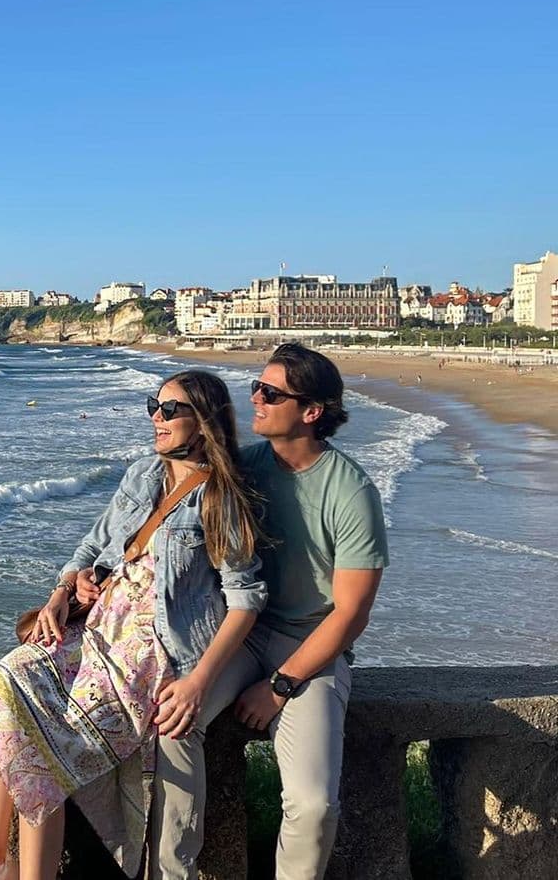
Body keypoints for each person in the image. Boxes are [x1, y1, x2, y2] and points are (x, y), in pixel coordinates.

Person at [0, 370, 267, 880]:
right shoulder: (142, 475)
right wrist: (64, 591)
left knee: (40, 740)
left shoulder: (220, 498)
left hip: (151, 654)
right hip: (95, 631)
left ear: (204, 421)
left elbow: (245, 600)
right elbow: (91, 546)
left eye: (171, 410)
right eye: (153, 406)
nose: (157, 418)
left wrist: (198, 682)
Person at [178, 342, 387, 880]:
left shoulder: (351, 491)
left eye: (270, 393)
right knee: (172, 725)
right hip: (237, 633)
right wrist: (85, 574)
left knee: (314, 804)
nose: (255, 399)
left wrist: (279, 687)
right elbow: (164, 519)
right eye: (256, 387)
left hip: (311, 647)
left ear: (311, 411)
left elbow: (351, 613)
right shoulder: (240, 469)